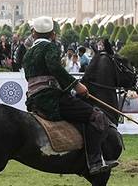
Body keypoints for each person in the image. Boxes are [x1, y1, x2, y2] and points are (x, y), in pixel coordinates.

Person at [22, 16, 115, 175]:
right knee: (96, 116)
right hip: (51, 99)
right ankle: (94, 161)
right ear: (53, 34)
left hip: (33, 100)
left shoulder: (28, 53)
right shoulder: (50, 47)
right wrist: (76, 86)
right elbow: (55, 68)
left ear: (33, 33)